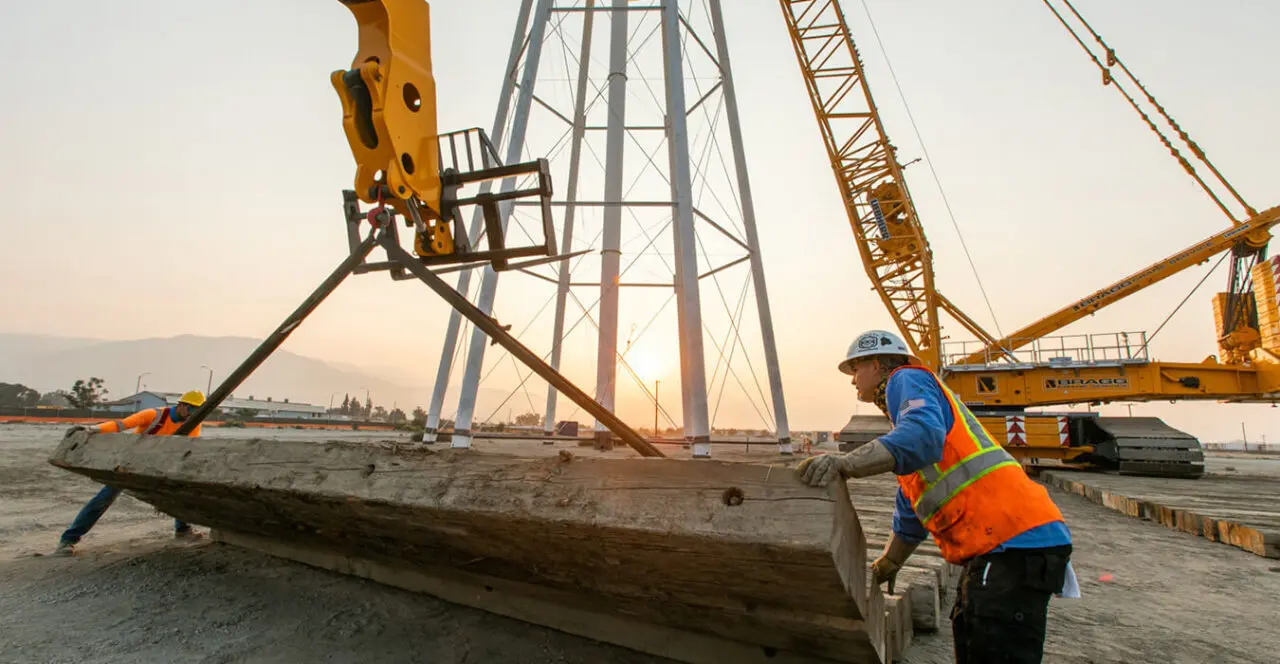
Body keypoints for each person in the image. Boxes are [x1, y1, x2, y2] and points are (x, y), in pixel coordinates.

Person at [796, 330, 1078, 664]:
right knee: (973, 635)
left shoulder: (906, 378)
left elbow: (921, 436)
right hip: (1007, 546)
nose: (853, 381)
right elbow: (912, 514)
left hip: (1011, 541)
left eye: (855, 369)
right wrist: (888, 563)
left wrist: (845, 464)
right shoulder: (910, 430)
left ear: (875, 364)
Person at [53, 390, 208, 556]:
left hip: (158, 465)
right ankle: (68, 540)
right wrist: (93, 429)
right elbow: (122, 425)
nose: (192, 415)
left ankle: (182, 530)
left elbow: (186, 448)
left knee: (178, 495)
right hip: (131, 464)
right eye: (191, 410)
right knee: (103, 499)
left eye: (196, 412)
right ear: (181, 405)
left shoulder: (193, 424)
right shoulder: (154, 415)